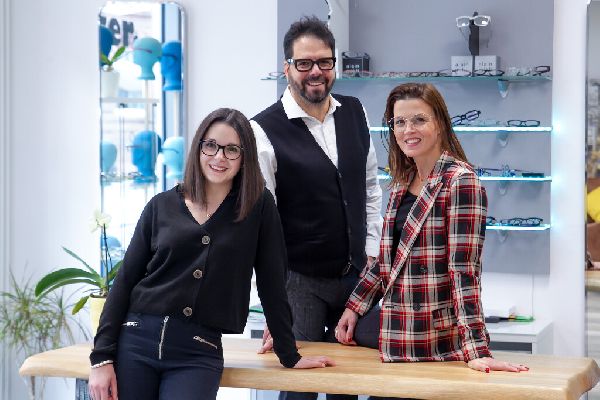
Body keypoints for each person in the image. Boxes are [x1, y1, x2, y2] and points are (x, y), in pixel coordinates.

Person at [88, 108, 335, 400]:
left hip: (197, 350)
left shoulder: (259, 207)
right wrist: (101, 358)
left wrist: (288, 354)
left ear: (244, 157)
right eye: (211, 146)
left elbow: (272, 283)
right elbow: (125, 281)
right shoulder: (160, 206)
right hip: (135, 341)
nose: (219, 157)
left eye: (232, 150)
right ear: (199, 148)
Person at [335, 83, 528, 387]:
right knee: (333, 353)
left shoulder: (461, 182)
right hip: (398, 326)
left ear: (439, 123)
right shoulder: (402, 181)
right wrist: (354, 306)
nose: (408, 130)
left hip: (432, 335)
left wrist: (477, 349)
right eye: (400, 122)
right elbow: (387, 260)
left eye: (419, 120)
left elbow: (464, 272)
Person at [251, 15, 383, 400]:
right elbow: (262, 224)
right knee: (299, 388)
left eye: (324, 62)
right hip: (299, 282)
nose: (316, 72)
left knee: (349, 382)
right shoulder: (262, 130)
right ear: (287, 68)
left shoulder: (355, 112)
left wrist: (371, 251)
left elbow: (370, 189)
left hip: (356, 274)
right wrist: (273, 305)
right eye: (304, 63)